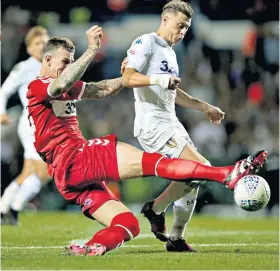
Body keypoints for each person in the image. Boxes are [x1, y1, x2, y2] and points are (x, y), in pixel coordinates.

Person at [26, 24, 266, 256]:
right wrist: (91, 50)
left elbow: (100, 90)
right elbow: (61, 83)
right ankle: (226, 174)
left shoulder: (61, 87)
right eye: (65, 62)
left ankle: (92, 246)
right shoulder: (40, 85)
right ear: (47, 61)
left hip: (67, 175)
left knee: (128, 224)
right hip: (74, 156)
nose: (68, 67)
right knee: (157, 163)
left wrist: (126, 77)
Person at [122, 0, 267, 252]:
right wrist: (158, 79)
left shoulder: (169, 51)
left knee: (193, 177)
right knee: (201, 168)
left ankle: (173, 234)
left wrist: (204, 106)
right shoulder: (146, 42)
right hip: (153, 125)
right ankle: (161, 209)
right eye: (179, 26)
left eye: (186, 28)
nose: (182, 32)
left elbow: (172, 92)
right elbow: (128, 78)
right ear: (165, 20)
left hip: (171, 123)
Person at [0, 26, 51, 225]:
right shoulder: (25, 67)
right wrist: (2, 113)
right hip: (32, 123)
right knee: (46, 171)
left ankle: (5, 206)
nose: (41, 47)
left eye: (44, 43)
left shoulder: (52, 67)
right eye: (37, 44)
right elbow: (4, 90)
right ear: (29, 48)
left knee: (29, 171)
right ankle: (14, 207)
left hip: (46, 124)